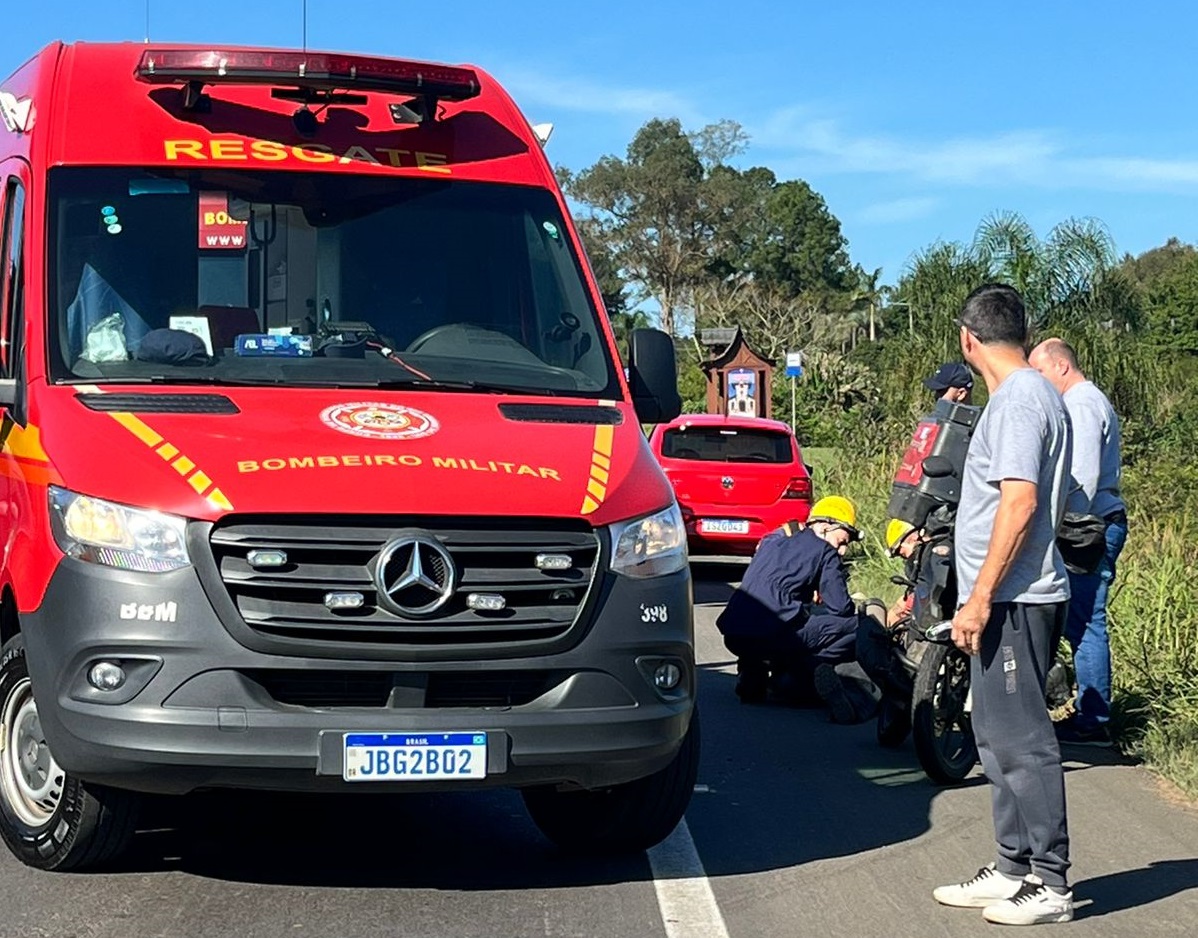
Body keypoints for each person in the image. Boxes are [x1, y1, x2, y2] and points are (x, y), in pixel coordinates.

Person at [932, 284, 1075, 926]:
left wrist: (981, 596)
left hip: (1016, 596)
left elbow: (1018, 504)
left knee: (1023, 740)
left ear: (968, 339)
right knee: (993, 734)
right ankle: (1013, 866)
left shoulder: (1020, 400)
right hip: (1004, 596)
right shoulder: (1025, 394)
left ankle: (1050, 882)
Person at [1029, 338, 1127, 747]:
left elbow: (1081, 479)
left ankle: (1093, 719)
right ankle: (1088, 709)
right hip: (1089, 522)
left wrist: (1049, 520)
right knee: (1078, 620)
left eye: (1040, 372)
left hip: (1088, 524)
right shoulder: (1083, 401)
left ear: (1061, 367)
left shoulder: (1083, 405)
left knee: (1085, 621)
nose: (1037, 381)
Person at [716, 496, 864, 705]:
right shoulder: (824, 551)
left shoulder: (773, 539)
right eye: (841, 542)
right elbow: (841, 608)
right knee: (856, 624)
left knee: (773, 618)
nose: (842, 551)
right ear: (824, 527)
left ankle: (752, 672)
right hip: (771, 637)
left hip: (733, 634)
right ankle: (807, 673)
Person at [812, 518, 923, 728]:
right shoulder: (932, 567)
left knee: (876, 663)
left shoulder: (929, 567)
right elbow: (902, 607)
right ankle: (843, 691)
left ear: (912, 538)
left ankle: (852, 701)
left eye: (901, 552)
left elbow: (905, 607)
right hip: (919, 638)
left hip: (917, 644)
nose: (904, 558)